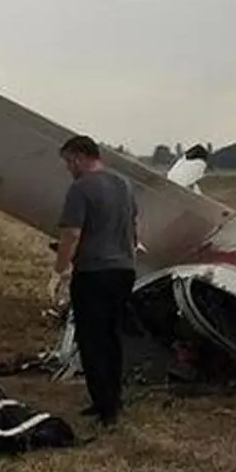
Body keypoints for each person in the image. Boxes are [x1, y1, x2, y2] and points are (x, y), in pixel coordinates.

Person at [52, 135, 138, 426]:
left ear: (78, 157)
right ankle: (113, 398)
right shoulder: (124, 184)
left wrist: (59, 269)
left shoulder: (80, 188)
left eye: (67, 162)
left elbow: (71, 234)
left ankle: (105, 408)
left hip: (93, 273)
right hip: (124, 270)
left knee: (92, 339)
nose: (68, 168)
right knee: (113, 337)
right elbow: (132, 224)